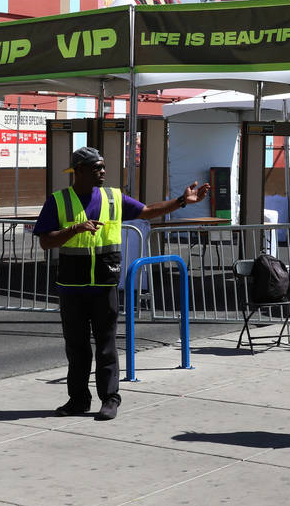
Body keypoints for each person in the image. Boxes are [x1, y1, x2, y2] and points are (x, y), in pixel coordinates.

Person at [34, 146, 210, 420]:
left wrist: (181, 201)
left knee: (106, 345)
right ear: (78, 171)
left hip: (104, 283)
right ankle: (78, 400)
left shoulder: (113, 197)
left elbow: (148, 211)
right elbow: (46, 241)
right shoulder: (58, 201)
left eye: (103, 167)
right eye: (96, 168)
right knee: (77, 348)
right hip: (72, 286)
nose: (102, 172)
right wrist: (74, 230)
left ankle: (110, 399)